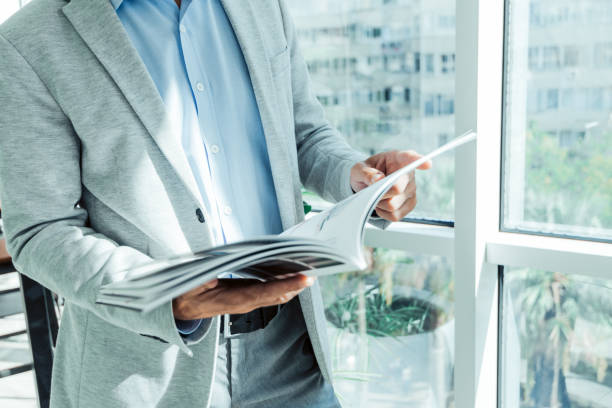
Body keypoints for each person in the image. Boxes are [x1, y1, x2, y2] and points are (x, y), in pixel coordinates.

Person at [0, 0, 431, 407]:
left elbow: (302, 132)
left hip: (290, 356)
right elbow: (41, 231)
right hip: (144, 376)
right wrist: (168, 295)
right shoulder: (29, 39)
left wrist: (357, 178)